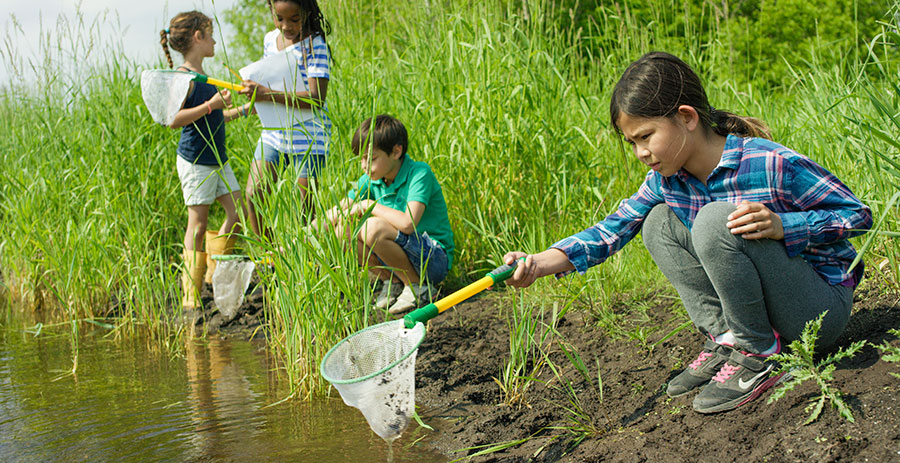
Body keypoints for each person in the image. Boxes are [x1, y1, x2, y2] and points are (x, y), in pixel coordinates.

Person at [503, 52, 872, 414]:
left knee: (713, 221)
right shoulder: (667, 181)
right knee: (657, 222)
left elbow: (858, 215)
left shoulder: (770, 163)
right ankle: (727, 339)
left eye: (646, 136)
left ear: (686, 117)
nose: (640, 152)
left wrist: (784, 226)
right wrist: (537, 264)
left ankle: (757, 354)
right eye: (632, 143)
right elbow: (612, 229)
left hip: (816, 311)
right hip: (770, 308)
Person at [160, 11, 250, 312]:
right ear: (198, 37)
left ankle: (210, 272)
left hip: (217, 159)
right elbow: (174, 120)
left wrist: (240, 110)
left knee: (238, 211)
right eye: (210, 34)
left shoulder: (205, 78)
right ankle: (191, 296)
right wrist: (211, 104)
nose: (213, 40)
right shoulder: (185, 77)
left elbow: (213, 116)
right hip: (196, 160)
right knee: (197, 226)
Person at [322, 115, 455, 314]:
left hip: (431, 259)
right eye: (362, 159)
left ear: (396, 151)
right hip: (399, 257)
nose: (364, 166)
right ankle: (392, 282)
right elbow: (337, 212)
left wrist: (369, 205)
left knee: (372, 227)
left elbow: (408, 223)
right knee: (342, 231)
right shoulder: (372, 180)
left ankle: (418, 287)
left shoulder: (419, 173)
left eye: (372, 158)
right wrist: (298, 239)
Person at [239, 0, 332, 238]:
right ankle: (270, 256)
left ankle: (308, 259)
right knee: (254, 193)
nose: (286, 26)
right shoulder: (271, 40)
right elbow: (269, 77)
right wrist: (253, 97)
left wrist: (265, 93)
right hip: (276, 130)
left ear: (307, 13)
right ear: (271, 11)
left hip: (309, 133)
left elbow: (316, 98)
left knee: (305, 202)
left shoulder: (315, 46)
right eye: (279, 18)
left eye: (294, 19)